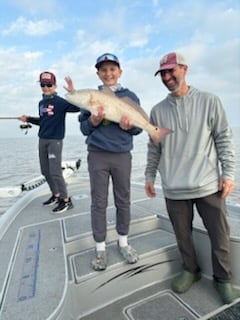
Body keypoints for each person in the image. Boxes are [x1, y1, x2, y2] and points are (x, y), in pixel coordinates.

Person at [144, 52, 237, 304]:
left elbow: (223, 139)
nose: (166, 77)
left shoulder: (210, 101)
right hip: (174, 187)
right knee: (182, 235)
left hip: (208, 184)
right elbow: (154, 148)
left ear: (184, 69)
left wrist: (228, 174)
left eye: (171, 71)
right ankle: (190, 271)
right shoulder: (157, 111)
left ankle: (223, 279)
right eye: (162, 73)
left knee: (219, 236)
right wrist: (150, 175)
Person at [65, 53, 142, 271]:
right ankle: (100, 247)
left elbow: (137, 128)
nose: (108, 73)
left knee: (123, 199)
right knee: (98, 202)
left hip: (122, 155)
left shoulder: (130, 97)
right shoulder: (91, 96)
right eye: (104, 70)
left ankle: (123, 243)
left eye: (112, 69)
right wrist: (94, 120)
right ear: (98, 74)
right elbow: (84, 129)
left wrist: (131, 126)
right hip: (97, 154)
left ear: (120, 72)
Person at [18, 71, 80, 214]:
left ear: (55, 85)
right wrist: (28, 119)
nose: (46, 87)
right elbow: (43, 121)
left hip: (55, 141)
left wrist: (73, 93)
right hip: (42, 140)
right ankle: (56, 195)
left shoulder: (60, 102)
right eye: (43, 85)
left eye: (49, 85)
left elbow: (77, 108)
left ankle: (66, 200)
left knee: (55, 172)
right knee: (45, 171)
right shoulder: (41, 103)